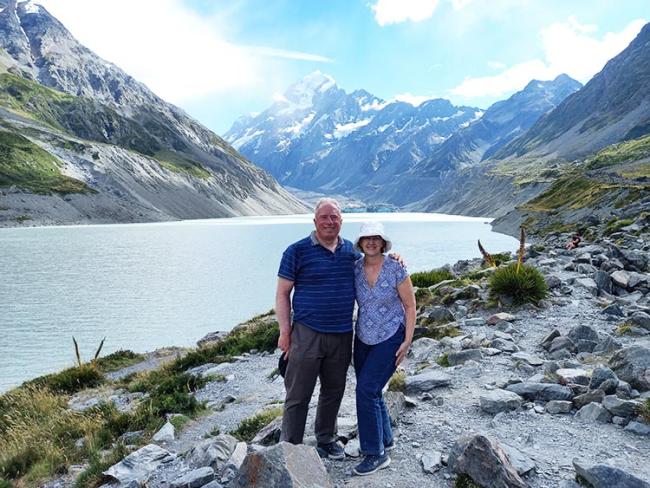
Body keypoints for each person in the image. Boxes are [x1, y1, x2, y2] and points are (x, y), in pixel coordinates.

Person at [275, 198, 358, 459]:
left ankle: (326, 440)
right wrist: (285, 333)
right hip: (306, 333)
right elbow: (282, 294)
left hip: (343, 333)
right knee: (298, 393)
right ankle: (290, 447)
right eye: (324, 217)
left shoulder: (352, 253)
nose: (330, 222)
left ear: (341, 221)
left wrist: (397, 259)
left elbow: (377, 266)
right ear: (315, 221)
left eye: (334, 217)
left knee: (334, 390)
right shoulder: (296, 251)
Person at [352, 221, 416, 476]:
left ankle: (375, 453)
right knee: (373, 390)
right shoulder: (354, 268)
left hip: (390, 336)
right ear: (360, 243)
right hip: (363, 338)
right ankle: (385, 439)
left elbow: (410, 306)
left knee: (365, 390)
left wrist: (407, 341)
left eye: (376, 238)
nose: (371, 242)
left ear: (383, 242)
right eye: (366, 238)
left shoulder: (395, 268)